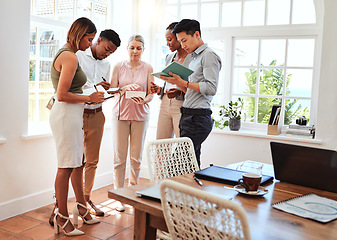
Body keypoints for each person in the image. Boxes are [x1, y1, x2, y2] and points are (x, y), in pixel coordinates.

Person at [49, 17, 102, 236]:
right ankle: (62, 217)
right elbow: (62, 95)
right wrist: (89, 97)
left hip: (72, 116)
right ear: (80, 34)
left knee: (76, 162)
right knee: (65, 167)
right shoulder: (69, 57)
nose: (90, 44)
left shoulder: (67, 53)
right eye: (89, 39)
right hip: (66, 116)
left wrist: (91, 95)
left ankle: (79, 207)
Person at [160, 19, 222, 168]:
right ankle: (194, 191)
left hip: (198, 118)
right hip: (187, 115)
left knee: (176, 166)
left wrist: (182, 82)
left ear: (197, 34)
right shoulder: (194, 58)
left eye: (184, 40)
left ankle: (168, 191)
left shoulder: (209, 55)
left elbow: (211, 88)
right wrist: (178, 85)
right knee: (191, 165)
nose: (183, 45)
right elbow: (193, 91)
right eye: (180, 42)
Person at [76, 29, 121, 216]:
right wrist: (95, 88)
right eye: (107, 48)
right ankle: (61, 202)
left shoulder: (107, 64)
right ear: (99, 40)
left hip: (97, 114)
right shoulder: (78, 55)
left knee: (92, 161)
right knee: (72, 160)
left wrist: (112, 92)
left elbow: (102, 89)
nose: (107, 53)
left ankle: (86, 199)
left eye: (111, 52)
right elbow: (73, 86)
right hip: (77, 113)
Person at [110, 35, 153, 211]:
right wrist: (123, 89)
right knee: (119, 158)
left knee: (136, 158)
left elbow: (151, 93)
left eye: (139, 48)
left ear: (143, 49)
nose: (135, 51)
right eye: (132, 47)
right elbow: (112, 91)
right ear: (127, 48)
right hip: (120, 115)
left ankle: (134, 192)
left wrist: (145, 100)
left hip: (141, 116)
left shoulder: (148, 68)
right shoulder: (118, 66)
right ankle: (119, 195)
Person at [150, 22, 192, 139]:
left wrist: (179, 92)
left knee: (181, 143)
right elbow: (169, 82)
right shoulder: (169, 57)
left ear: (179, 39)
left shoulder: (192, 58)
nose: (167, 43)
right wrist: (160, 90)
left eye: (169, 39)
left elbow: (193, 86)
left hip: (181, 104)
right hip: (164, 103)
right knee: (161, 143)